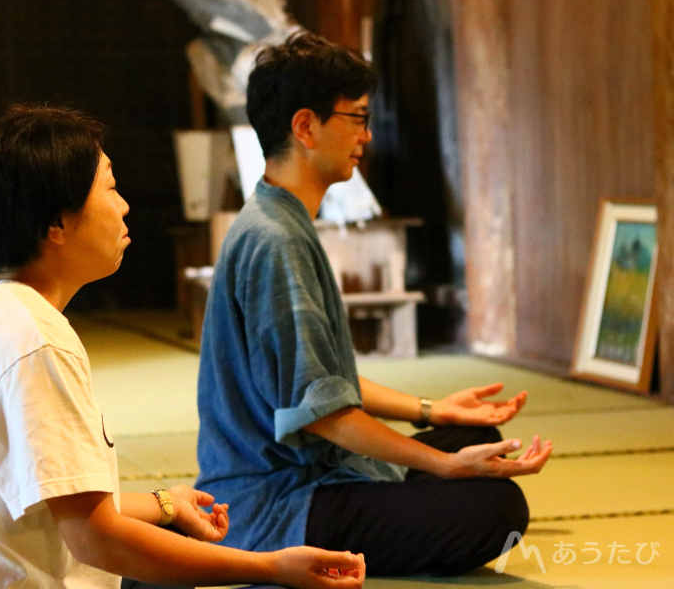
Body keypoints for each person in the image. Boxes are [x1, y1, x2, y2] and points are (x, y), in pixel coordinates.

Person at [0, 103, 366, 589]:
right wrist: (270, 565)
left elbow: (62, 499)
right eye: (110, 189)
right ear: (57, 222)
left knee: (180, 551)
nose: (124, 206)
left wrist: (165, 502)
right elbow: (97, 540)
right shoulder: (33, 339)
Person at [195, 31, 554, 576]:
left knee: (477, 439)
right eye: (357, 118)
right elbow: (327, 414)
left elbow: (321, 384)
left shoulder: (279, 217)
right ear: (306, 126)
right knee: (497, 509)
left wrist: (434, 411)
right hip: (276, 505)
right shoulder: (276, 239)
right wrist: (443, 465)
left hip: (315, 474)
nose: (366, 134)